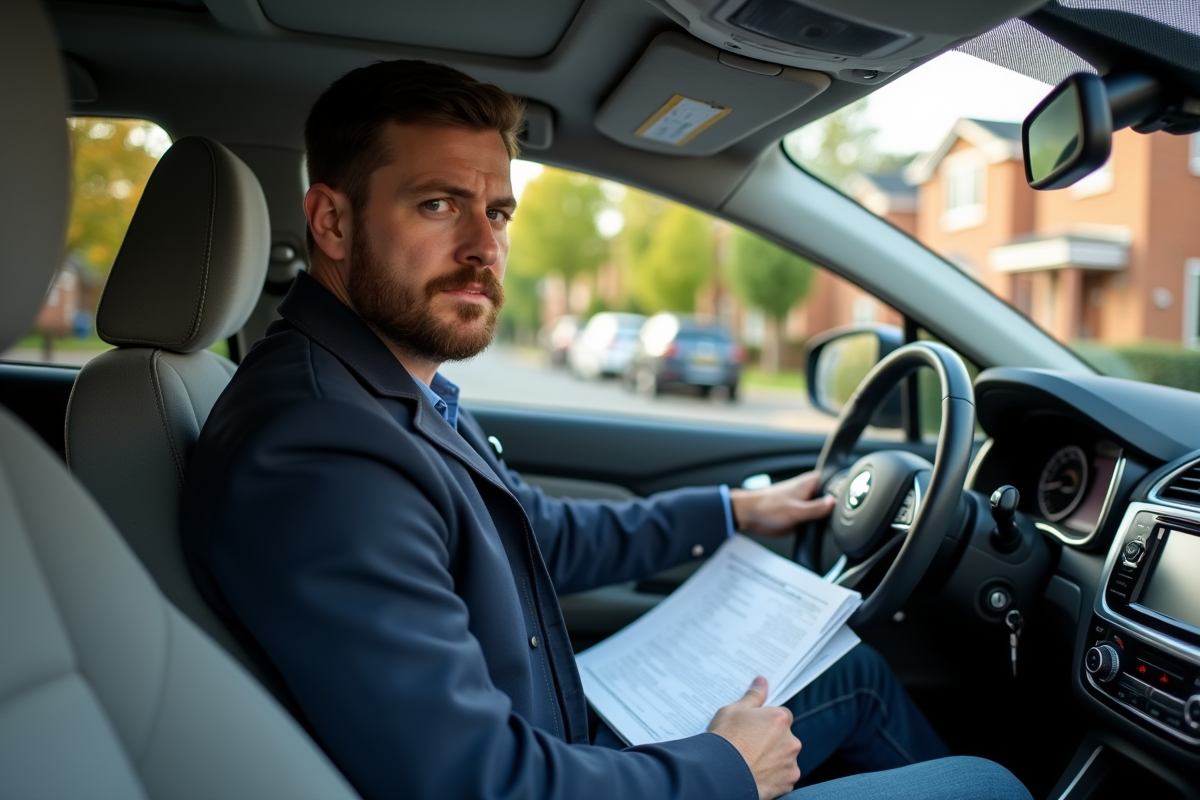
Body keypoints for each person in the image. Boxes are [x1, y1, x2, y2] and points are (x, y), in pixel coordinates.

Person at [180, 60, 1031, 800]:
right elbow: (473, 784)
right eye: (439, 204)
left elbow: (534, 533)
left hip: (559, 740)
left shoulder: (381, 386)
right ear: (331, 223)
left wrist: (734, 511)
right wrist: (726, 770)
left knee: (853, 673)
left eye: (500, 213)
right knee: (988, 785)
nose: (485, 245)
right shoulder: (324, 451)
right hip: (545, 770)